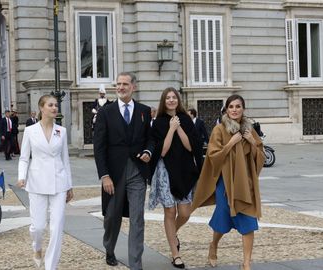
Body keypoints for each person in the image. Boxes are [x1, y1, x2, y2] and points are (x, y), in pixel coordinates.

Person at [192, 94, 265, 270]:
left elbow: (260, 157)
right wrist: (230, 143)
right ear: (226, 109)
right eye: (231, 107)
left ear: (243, 109)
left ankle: (246, 263)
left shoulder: (249, 130)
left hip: (246, 184)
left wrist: (251, 143)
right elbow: (213, 156)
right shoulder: (219, 129)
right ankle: (214, 245)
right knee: (223, 220)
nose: (234, 110)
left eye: (238, 106)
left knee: (248, 221)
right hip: (225, 184)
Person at [93, 72, 155, 270]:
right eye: (118, 84)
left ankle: (136, 264)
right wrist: (104, 176)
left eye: (125, 84)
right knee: (112, 216)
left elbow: (151, 139)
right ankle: (109, 248)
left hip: (137, 173)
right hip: (113, 174)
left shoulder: (144, 111)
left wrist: (148, 151)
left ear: (133, 87)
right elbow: (99, 147)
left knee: (137, 219)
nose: (120, 87)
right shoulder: (106, 112)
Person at [17, 94, 74, 269]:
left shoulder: (61, 131)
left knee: (57, 228)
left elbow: (65, 160)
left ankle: (51, 266)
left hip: (59, 183)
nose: (54, 108)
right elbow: (24, 157)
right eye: (51, 105)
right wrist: (22, 176)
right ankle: (37, 246)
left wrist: (69, 186)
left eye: (56, 105)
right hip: (37, 182)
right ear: (42, 108)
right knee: (38, 227)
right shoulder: (30, 131)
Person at [148, 88, 202, 269]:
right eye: (168, 98)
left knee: (185, 213)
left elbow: (190, 147)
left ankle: (173, 234)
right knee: (170, 212)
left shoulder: (186, 120)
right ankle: (175, 254)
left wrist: (178, 127)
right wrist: (171, 129)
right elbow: (162, 151)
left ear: (178, 100)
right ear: (164, 101)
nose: (171, 100)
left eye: (174, 97)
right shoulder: (158, 123)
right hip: (165, 171)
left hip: (184, 170)